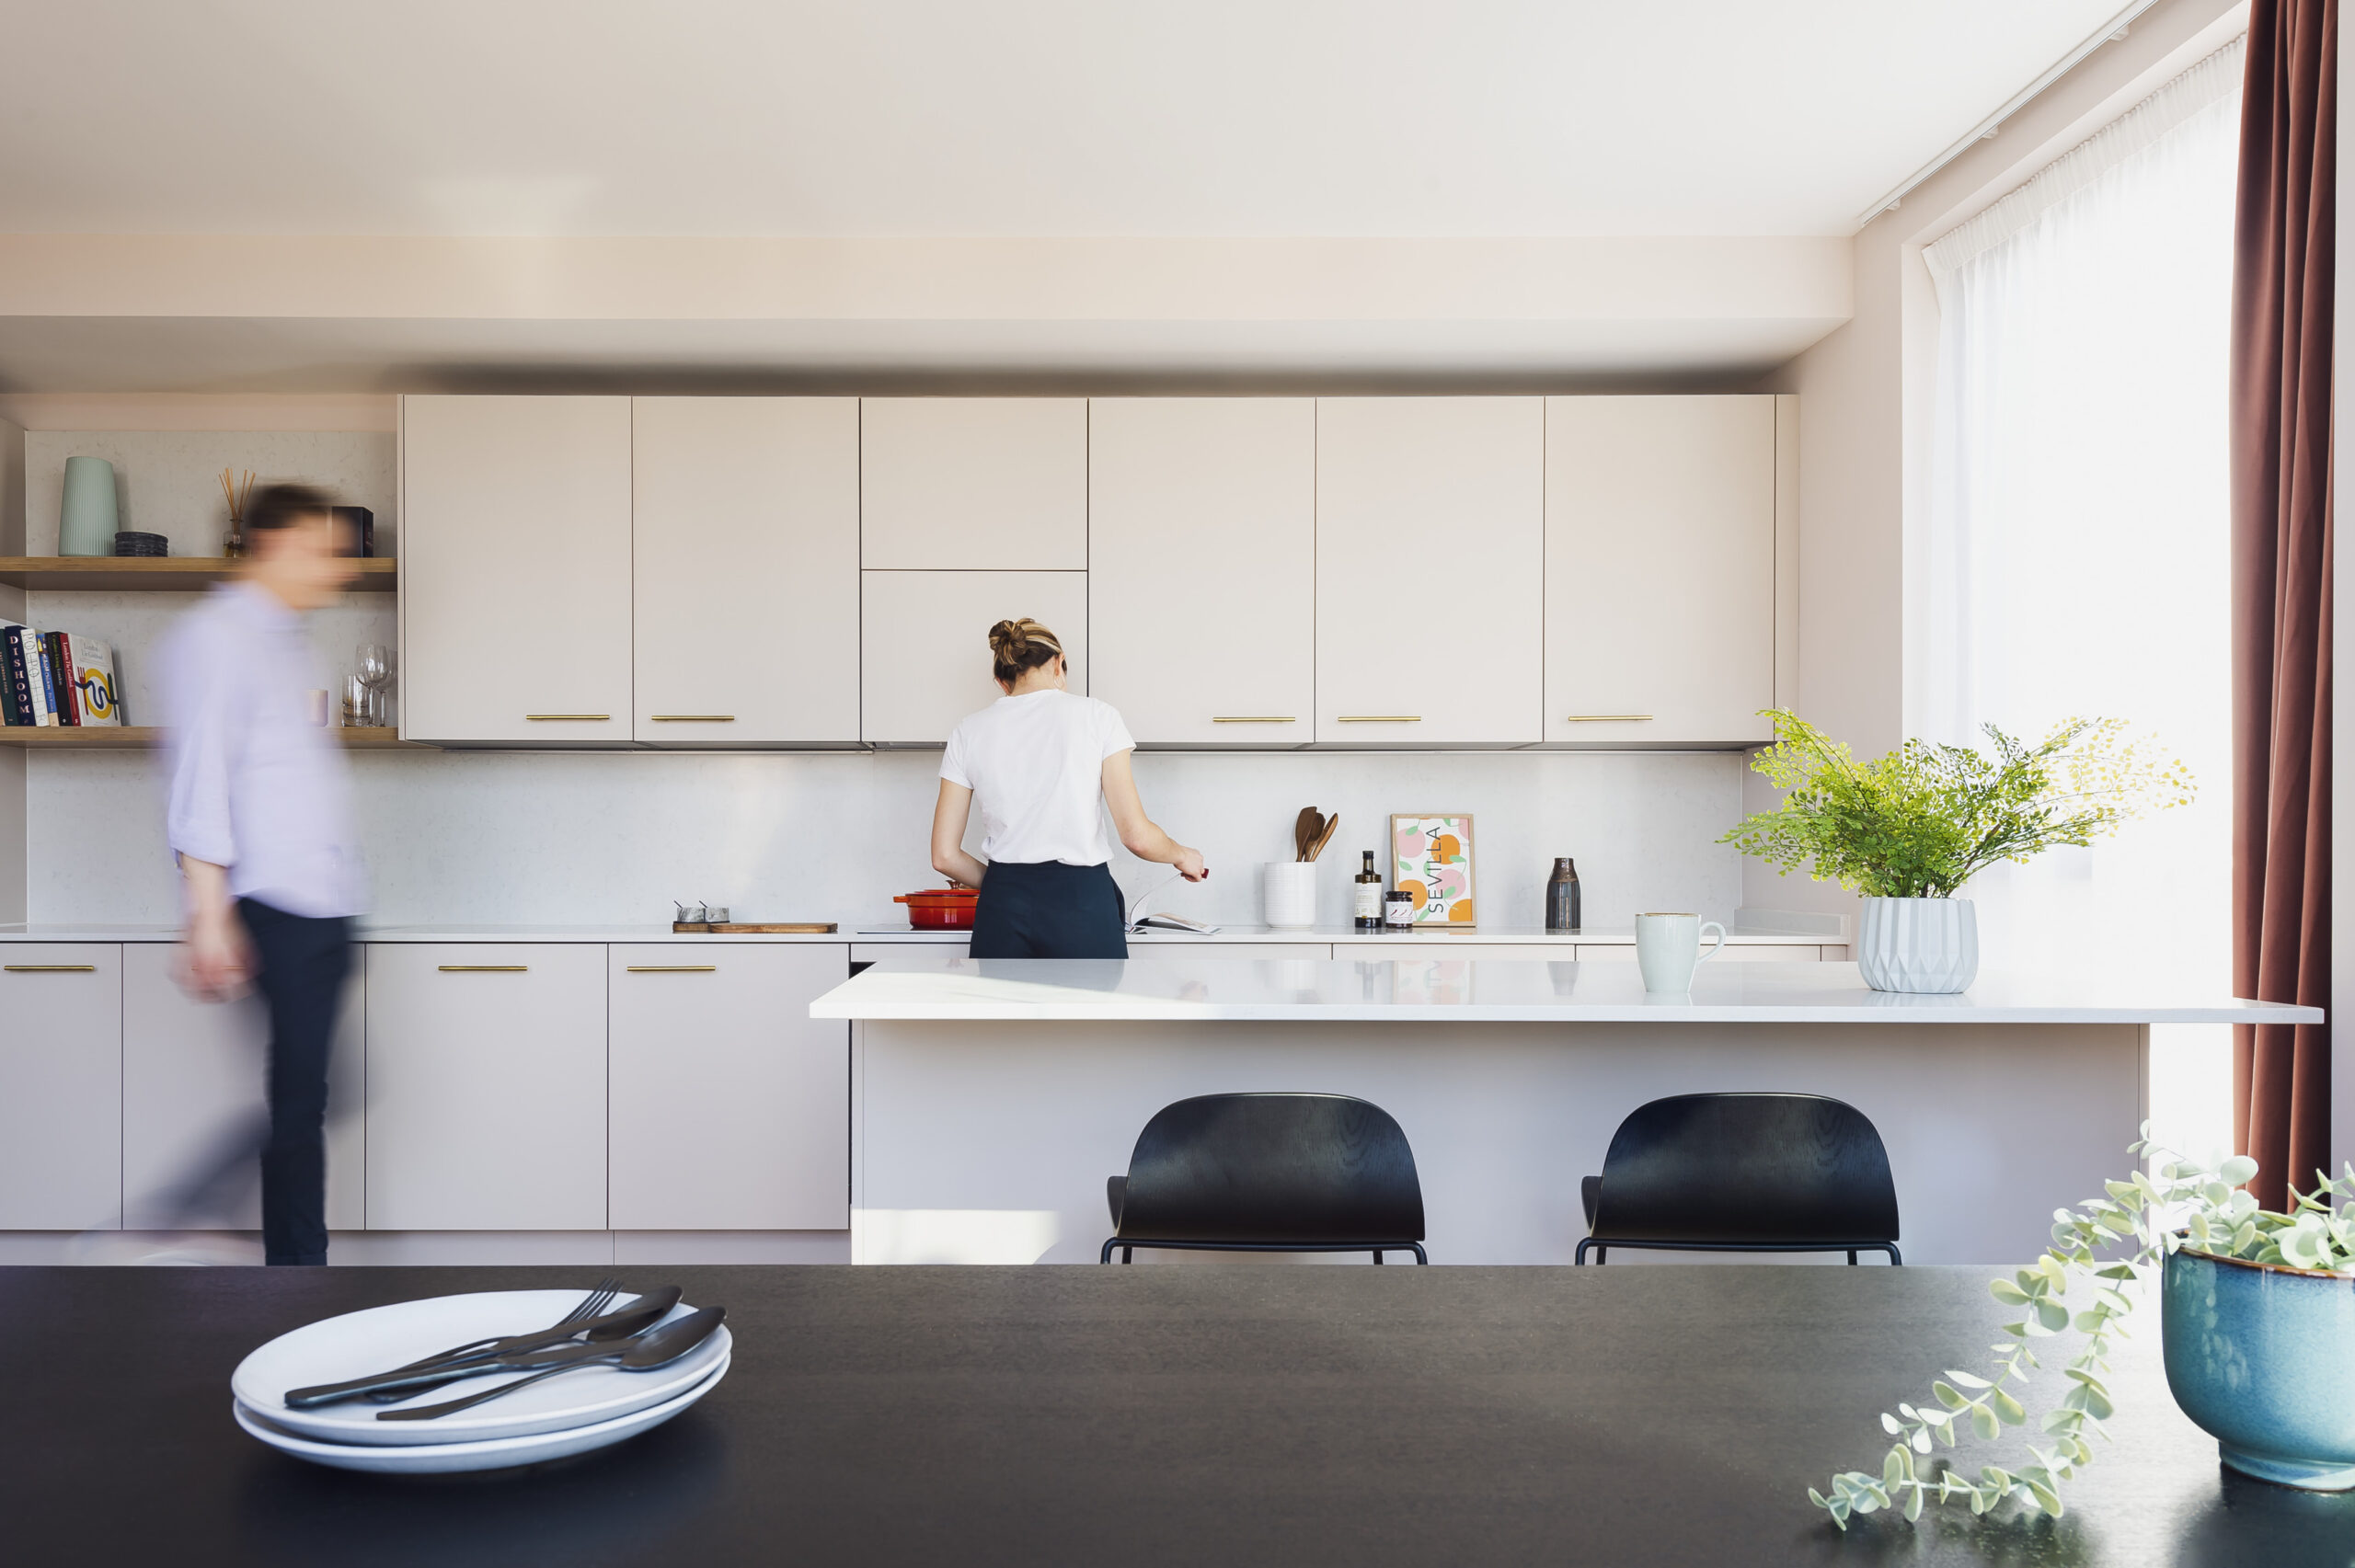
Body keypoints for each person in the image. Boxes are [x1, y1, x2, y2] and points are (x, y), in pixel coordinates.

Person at [161, 484, 364, 1265]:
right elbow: (202, 777)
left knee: (312, 1099)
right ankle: (277, 1265)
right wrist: (208, 912)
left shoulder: (290, 643)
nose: (335, 568)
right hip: (275, 906)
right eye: (324, 549)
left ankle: (259, 1251)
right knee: (301, 1107)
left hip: (319, 906)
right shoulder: (218, 637)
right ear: (277, 543)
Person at [931, 618, 1205, 958]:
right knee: (1087, 1012)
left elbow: (944, 856)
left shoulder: (967, 731)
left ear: (1002, 681)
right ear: (1059, 662)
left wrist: (1008, 889)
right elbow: (1137, 836)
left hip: (1002, 908)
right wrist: (1183, 855)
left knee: (1004, 1012)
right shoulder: (1097, 716)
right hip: (1082, 905)